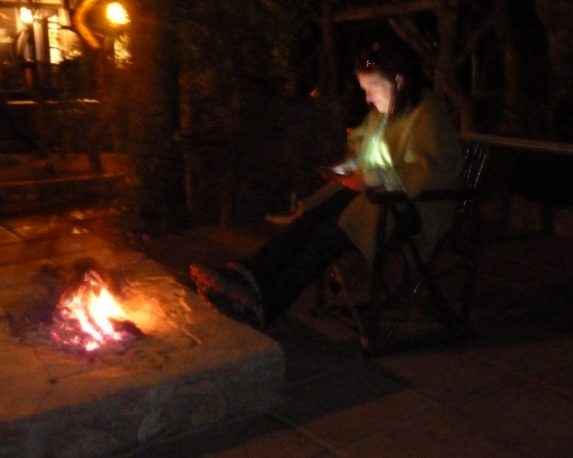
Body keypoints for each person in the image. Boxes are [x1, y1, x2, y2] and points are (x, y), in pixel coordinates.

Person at [190, 42, 465, 328]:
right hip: (377, 200)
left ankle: (266, 303)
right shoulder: (384, 114)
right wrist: (344, 170)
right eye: (364, 89)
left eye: (373, 87)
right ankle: (249, 276)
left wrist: (370, 177)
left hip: (414, 211)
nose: (368, 97)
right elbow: (363, 153)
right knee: (314, 215)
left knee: (331, 230)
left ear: (398, 80)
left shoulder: (426, 112)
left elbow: (428, 171)